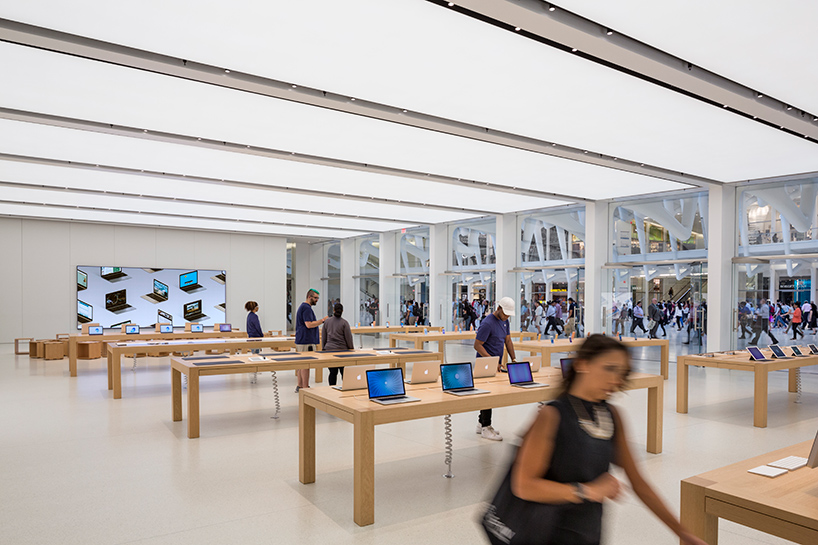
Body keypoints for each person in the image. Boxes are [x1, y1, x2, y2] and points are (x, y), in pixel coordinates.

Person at [509, 335, 707, 545]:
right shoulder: (552, 415)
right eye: (609, 369)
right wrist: (587, 491)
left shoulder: (611, 415)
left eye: (621, 373)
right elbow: (524, 485)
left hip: (588, 531)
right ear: (582, 364)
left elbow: (639, 483)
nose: (616, 380)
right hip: (547, 533)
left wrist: (682, 533)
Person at [473, 297, 518, 441]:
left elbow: (508, 340)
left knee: (490, 392)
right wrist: (492, 361)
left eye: (508, 315)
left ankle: (481, 423)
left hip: (495, 363)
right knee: (488, 394)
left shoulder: (505, 321)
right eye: (505, 314)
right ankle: (486, 427)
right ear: (498, 308)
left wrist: (514, 359)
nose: (506, 317)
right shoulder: (487, 323)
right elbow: (477, 345)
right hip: (485, 363)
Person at [295, 289, 328, 393]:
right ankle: (305, 387)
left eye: (318, 298)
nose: (317, 300)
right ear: (309, 297)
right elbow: (309, 324)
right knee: (306, 365)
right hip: (306, 340)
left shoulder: (303, 307)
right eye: (315, 298)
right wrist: (322, 320)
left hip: (302, 339)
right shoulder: (306, 308)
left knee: (301, 364)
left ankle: (300, 386)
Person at [322, 302, 354, 386]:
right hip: (342, 351)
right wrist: (351, 349)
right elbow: (348, 338)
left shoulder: (327, 322)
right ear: (342, 311)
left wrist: (323, 349)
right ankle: (346, 389)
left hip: (329, 351)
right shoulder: (344, 323)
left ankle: (331, 390)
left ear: (333, 310)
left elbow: (324, 337)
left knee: (332, 373)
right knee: (344, 373)